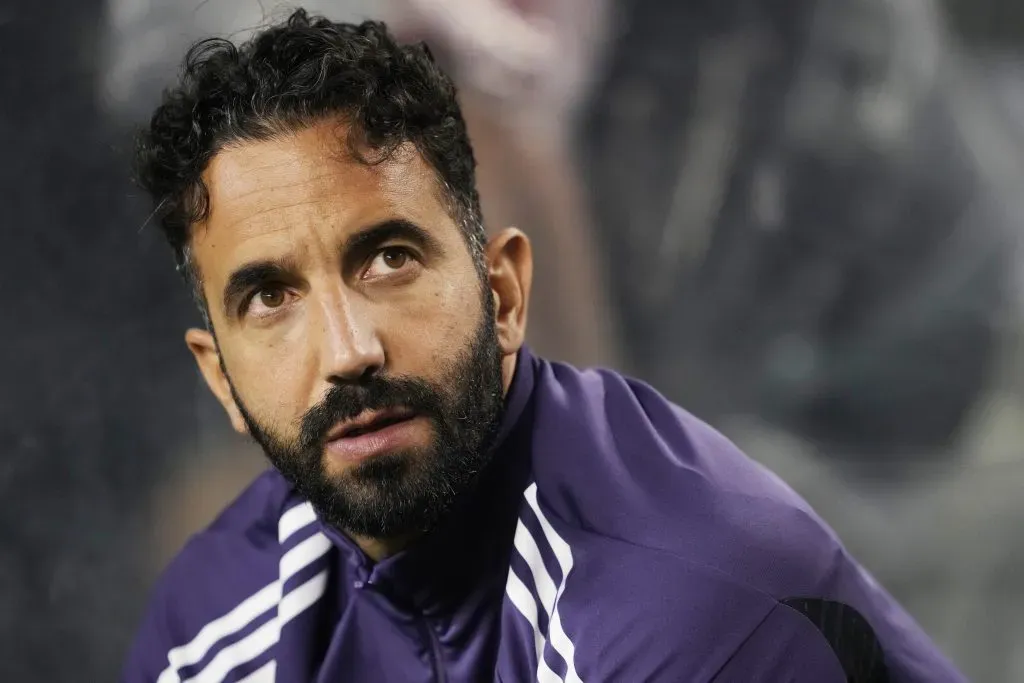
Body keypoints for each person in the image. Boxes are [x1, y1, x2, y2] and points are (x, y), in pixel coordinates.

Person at [123, 11, 966, 682]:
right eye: (271, 298)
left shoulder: (699, 611)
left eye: (391, 260)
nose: (349, 351)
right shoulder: (209, 616)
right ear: (220, 376)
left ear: (503, 292)